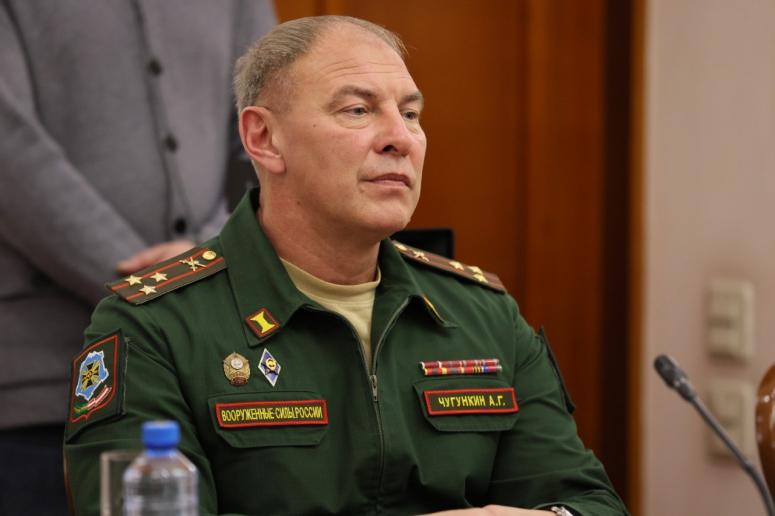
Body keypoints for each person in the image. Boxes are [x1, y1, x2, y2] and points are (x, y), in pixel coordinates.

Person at [63, 16, 628, 515]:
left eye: (411, 113)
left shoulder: (482, 315)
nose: (401, 138)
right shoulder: (154, 325)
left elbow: (589, 502)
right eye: (358, 110)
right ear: (264, 138)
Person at [0, 1, 275, 514]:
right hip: (43, 385)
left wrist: (211, 252)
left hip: (220, 386)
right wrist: (163, 282)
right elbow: (9, 151)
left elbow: (268, 133)